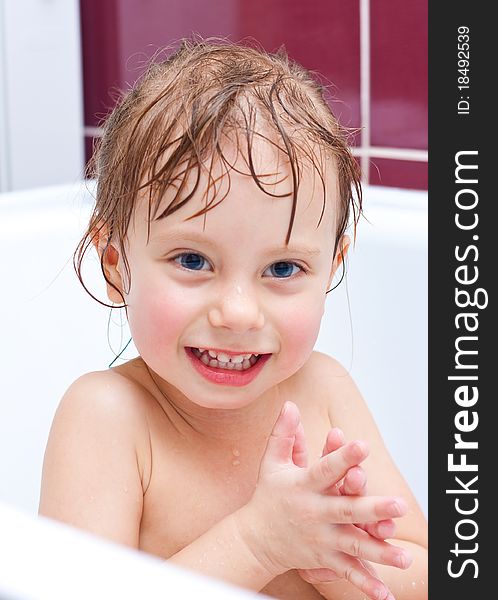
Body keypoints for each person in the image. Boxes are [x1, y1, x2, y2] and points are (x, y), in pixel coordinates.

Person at [39, 39, 427, 599]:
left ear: (331, 268)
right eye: (192, 261)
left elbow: (429, 571)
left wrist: (336, 559)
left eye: (284, 267)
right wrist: (258, 543)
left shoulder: (323, 392)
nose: (239, 313)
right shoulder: (109, 419)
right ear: (116, 263)